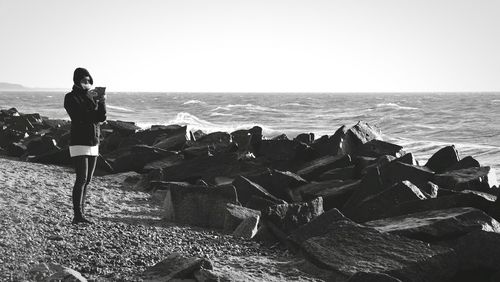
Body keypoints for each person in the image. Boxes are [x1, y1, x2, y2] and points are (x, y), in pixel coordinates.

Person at [64, 67, 107, 224]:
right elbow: (79, 116)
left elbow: (101, 117)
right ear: (77, 81)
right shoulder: (70, 97)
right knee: (81, 178)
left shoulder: (92, 98)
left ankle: (82, 213)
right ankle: (77, 215)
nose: (86, 83)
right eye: (84, 80)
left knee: (88, 180)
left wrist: (101, 102)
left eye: (89, 81)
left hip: (93, 141)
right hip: (79, 141)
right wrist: (89, 100)